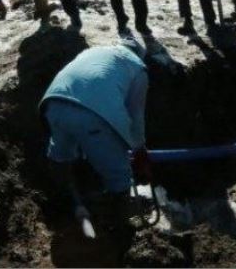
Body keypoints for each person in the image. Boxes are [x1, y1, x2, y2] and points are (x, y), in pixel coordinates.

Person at [39, 38, 152, 224]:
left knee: (61, 157)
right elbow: (136, 115)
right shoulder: (138, 68)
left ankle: (69, 203)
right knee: (119, 175)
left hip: (53, 105)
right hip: (91, 116)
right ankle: (119, 227)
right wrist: (139, 150)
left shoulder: (93, 52)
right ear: (140, 55)